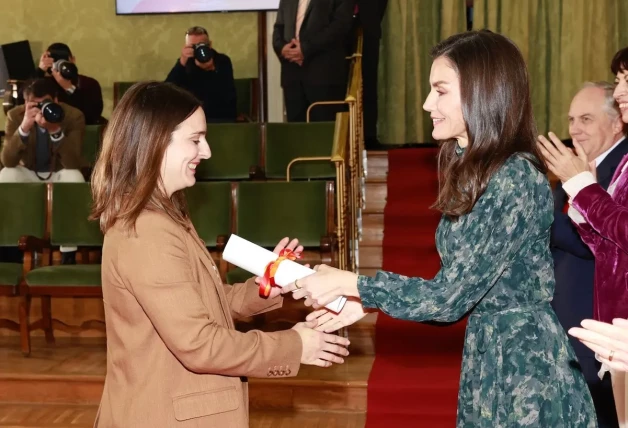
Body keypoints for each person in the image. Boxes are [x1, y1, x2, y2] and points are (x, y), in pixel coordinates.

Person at [283, 30, 597, 426]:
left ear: (482, 92)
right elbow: (455, 286)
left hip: (525, 368)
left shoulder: (514, 176)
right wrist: (364, 302)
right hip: (490, 352)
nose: (427, 103)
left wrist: (354, 284)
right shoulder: (478, 171)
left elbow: (449, 299)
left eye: (440, 90)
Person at [89, 82, 349, 427]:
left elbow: (199, 304)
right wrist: (295, 345)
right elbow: (198, 343)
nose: (207, 151)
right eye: (195, 140)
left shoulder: (163, 216)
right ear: (154, 141)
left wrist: (267, 284)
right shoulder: (147, 230)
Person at [537, 45, 628, 428]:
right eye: (571, 118)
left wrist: (537, 212)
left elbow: (613, 234)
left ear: (615, 125)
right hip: (601, 330)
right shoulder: (594, 165)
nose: (574, 128)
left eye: (586, 119)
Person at [272, 0, 354, 122]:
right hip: (293, 75)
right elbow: (279, 27)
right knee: (296, 134)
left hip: (324, 75)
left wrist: (305, 49)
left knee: (325, 133)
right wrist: (282, 48)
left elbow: (340, 25)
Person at [165, 26, 237, 123]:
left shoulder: (222, 61)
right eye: (193, 46)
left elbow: (229, 95)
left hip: (219, 116)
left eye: (201, 45)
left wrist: (212, 70)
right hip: (192, 117)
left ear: (210, 45)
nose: (199, 50)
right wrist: (181, 63)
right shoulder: (186, 62)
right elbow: (167, 91)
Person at [35, 42, 104, 125]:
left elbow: (92, 115)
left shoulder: (89, 83)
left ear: (73, 60)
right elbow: (24, 101)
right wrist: (40, 71)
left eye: (64, 61)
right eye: (55, 61)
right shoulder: (45, 83)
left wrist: (69, 88)